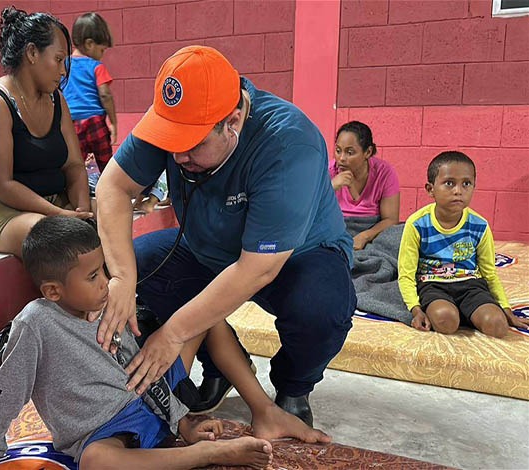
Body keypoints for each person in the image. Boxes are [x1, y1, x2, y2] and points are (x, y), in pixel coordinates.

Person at [0, 216, 328, 469]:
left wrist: (181, 419)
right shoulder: (35, 324)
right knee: (96, 463)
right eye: (92, 277)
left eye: (103, 269)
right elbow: (6, 392)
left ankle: (262, 409)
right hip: (107, 428)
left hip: (151, 396)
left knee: (202, 319)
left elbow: (139, 367)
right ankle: (205, 455)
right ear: (53, 291)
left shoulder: (108, 303)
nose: (106, 282)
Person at [95, 46, 356, 426]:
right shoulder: (175, 115)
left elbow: (258, 269)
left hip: (294, 256)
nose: (178, 156)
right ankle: (220, 363)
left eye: (194, 144)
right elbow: (112, 188)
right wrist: (121, 276)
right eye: (172, 142)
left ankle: (293, 386)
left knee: (322, 309)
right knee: (140, 263)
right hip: (207, 247)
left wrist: (173, 335)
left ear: (232, 121)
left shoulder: (289, 143)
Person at [0, 8, 92, 258]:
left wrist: (81, 209)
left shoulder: (56, 100)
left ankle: (118, 293)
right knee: (56, 237)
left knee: (105, 219)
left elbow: (74, 165)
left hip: (51, 203)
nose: (63, 71)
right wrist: (62, 216)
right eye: (58, 59)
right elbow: (1, 185)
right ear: (32, 53)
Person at [397, 151, 528, 337]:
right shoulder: (417, 224)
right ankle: (458, 313)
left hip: (470, 285)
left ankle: (469, 311)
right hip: (433, 284)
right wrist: (416, 309)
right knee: (446, 321)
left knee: (498, 326)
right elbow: (406, 274)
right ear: (430, 189)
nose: (458, 190)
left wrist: (505, 309)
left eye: (466, 184)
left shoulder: (479, 225)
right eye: (449, 183)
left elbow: (489, 272)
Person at [330, 121, 400, 250]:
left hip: (371, 230)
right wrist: (330, 187)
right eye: (338, 150)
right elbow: (309, 213)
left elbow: (391, 219)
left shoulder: (384, 172)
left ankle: (355, 260)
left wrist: (364, 236)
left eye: (350, 152)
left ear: (368, 152)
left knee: (400, 233)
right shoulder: (329, 172)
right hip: (337, 229)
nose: (341, 158)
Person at [63, 12, 117, 174]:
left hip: (72, 124)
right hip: (95, 122)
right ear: (89, 44)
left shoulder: (64, 65)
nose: (102, 55)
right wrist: (113, 122)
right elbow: (105, 95)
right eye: (102, 50)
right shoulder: (96, 67)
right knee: (106, 163)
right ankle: (109, 189)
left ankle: (77, 195)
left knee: (76, 165)